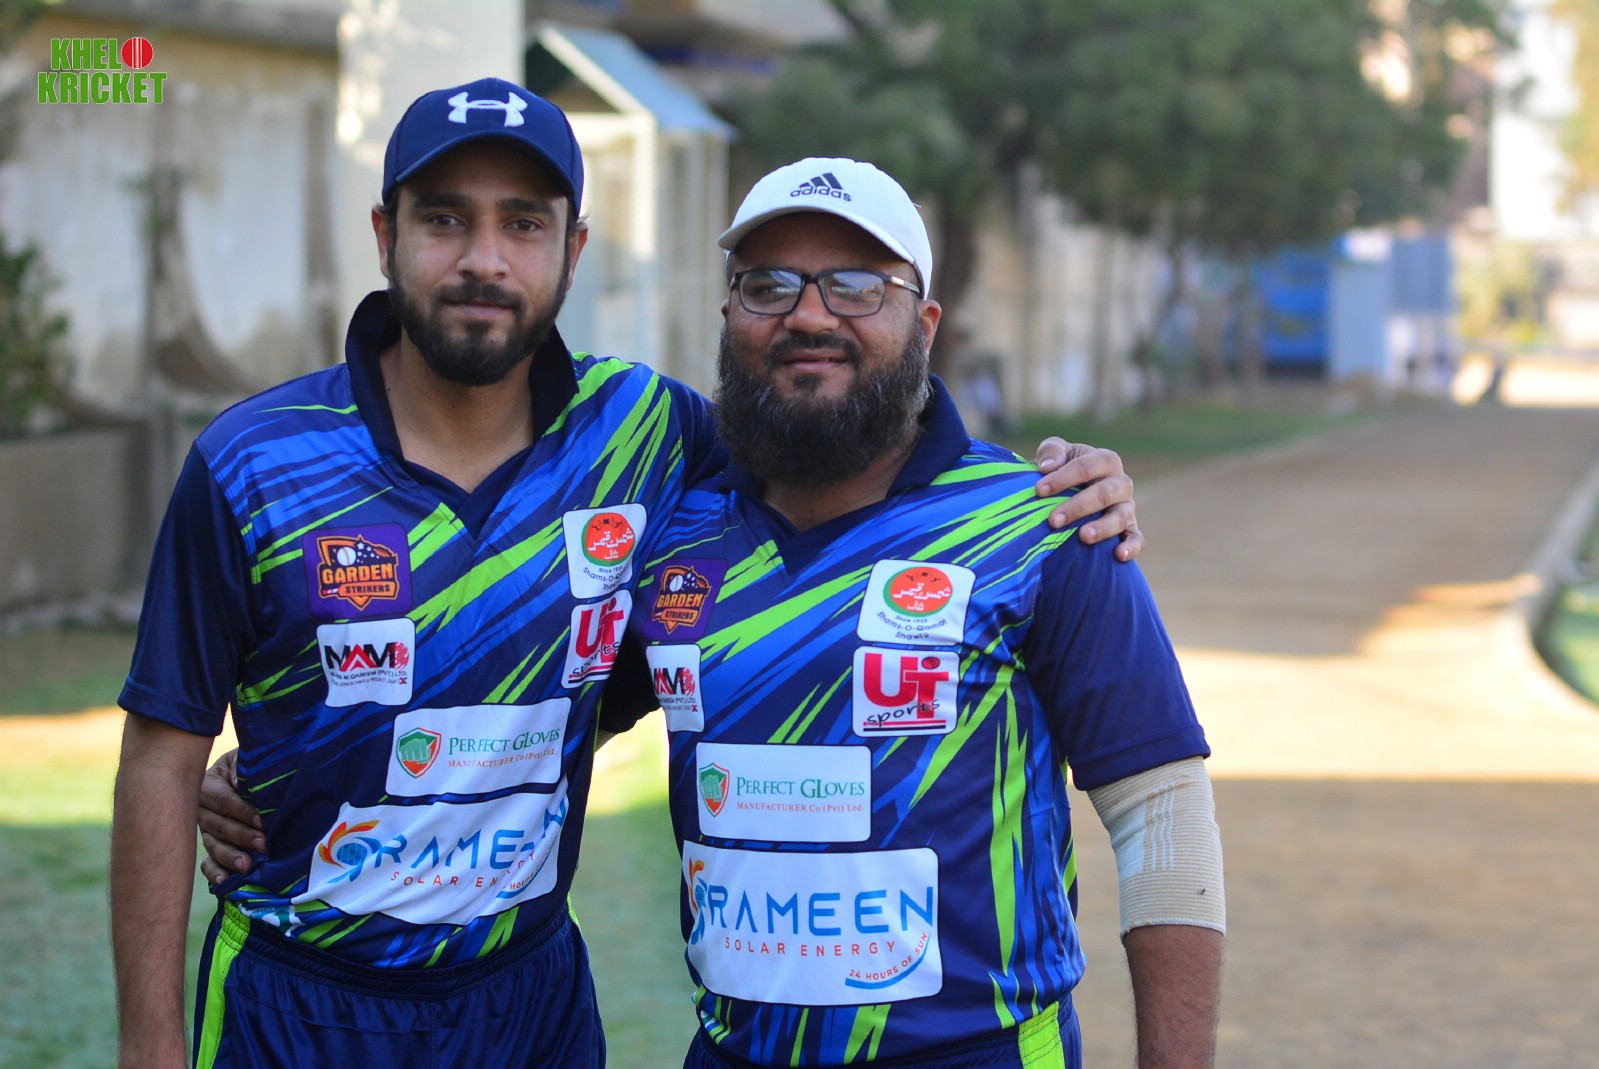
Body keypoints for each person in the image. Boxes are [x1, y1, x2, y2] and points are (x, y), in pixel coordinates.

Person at [114, 78, 1139, 1069]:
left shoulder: (646, 433)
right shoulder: (256, 461)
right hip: (297, 1003)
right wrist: (151, 1043)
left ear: (573, 248)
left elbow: (838, 445)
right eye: (444, 220)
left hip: (528, 1004)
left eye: (523, 223)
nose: (483, 259)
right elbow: (160, 754)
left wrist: (1053, 483)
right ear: (387, 236)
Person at [613, 159, 1226, 1067]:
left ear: (924, 323)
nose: (809, 315)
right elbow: (546, 729)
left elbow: (1159, 815)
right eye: (768, 284)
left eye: (858, 285)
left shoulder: (1042, 522)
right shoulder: (673, 536)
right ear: (729, 313)